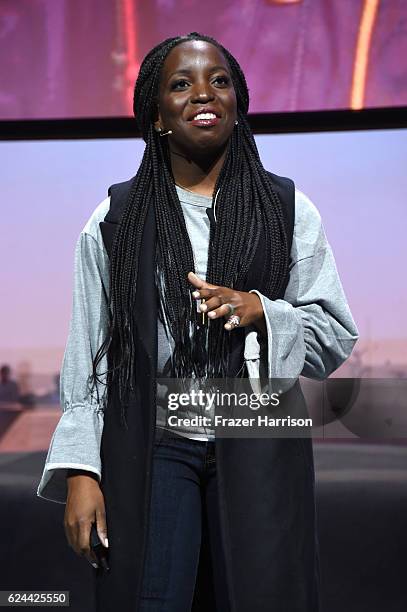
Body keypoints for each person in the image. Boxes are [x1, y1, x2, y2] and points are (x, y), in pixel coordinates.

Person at [37, 32, 359, 612]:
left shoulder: (287, 209)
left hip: (259, 433)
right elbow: (88, 355)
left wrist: (265, 310)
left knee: (265, 594)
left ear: (238, 102)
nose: (203, 93)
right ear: (157, 114)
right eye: (181, 84)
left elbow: (333, 335)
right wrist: (82, 471)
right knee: (150, 596)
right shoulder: (115, 219)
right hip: (156, 439)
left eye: (219, 80)